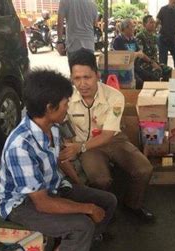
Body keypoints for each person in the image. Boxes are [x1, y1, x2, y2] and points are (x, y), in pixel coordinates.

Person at [0, 69, 117, 251]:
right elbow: (42, 204)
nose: (68, 108)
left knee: (108, 201)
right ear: (50, 108)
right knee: (82, 225)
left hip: (52, 189)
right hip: (23, 204)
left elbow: (61, 159)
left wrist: (81, 188)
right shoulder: (21, 146)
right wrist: (87, 207)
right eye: (65, 104)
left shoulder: (52, 126)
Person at [58, 49, 155, 223]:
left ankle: (132, 205)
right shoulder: (66, 98)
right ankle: (104, 212)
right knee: (100, 180)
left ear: (97, 75)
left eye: (87, 77)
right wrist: (69, 144)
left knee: (144, 169)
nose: (82, 84)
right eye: (77, 78)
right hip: (87, 145)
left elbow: (109, 134)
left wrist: (79, 148)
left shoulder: (114, 96)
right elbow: (61, 125)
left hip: (112, 140)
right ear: (71, 78)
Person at [113, 18, 158, 89]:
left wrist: (151, 62)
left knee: (153, 77)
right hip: (125, 70)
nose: (134, 29)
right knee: (140, 83)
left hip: (136, 67)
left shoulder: (132, 39)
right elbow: (125, 57)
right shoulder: (118, 40)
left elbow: (141, 53)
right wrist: (136, 54)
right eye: (132, 27)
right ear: (126, 28)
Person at [136, 15, 172, 81]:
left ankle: (164, 90)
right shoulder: (140, 36)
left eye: (154, 22)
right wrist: (152, 63)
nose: (153, 24)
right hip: (144, 64)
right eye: (151, 22)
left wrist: (156, 64)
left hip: (154, 63)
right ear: (144, 24)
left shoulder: (154, 36)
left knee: (170, 71)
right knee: (156, 73)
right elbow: (141, 54)